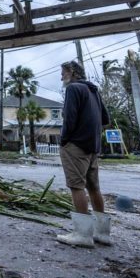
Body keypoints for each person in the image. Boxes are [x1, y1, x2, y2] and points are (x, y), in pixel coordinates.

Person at [56, 60, 111, 248]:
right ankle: (102, 233)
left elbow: (69, 119)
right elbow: (105, 118)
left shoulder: (73, 89)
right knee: (94, 187)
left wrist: (64, 140)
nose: (61, 76)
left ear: (72, 72)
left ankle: (82, 235)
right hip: (92, 145)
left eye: (63, 72)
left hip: (76, 145)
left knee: (76, 186)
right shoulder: (93, 90)